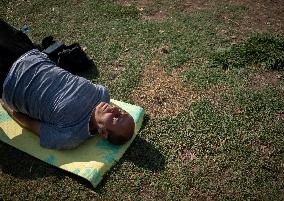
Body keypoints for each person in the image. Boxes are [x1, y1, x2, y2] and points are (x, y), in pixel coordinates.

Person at [0, 19, 135, 149]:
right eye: (122, 112)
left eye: (116, 117)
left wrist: (4, 103)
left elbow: (29, 123)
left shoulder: (71, 136)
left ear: (103, 132)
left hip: (7, 78)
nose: (115, 109)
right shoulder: (102, 93)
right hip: (27, 52)